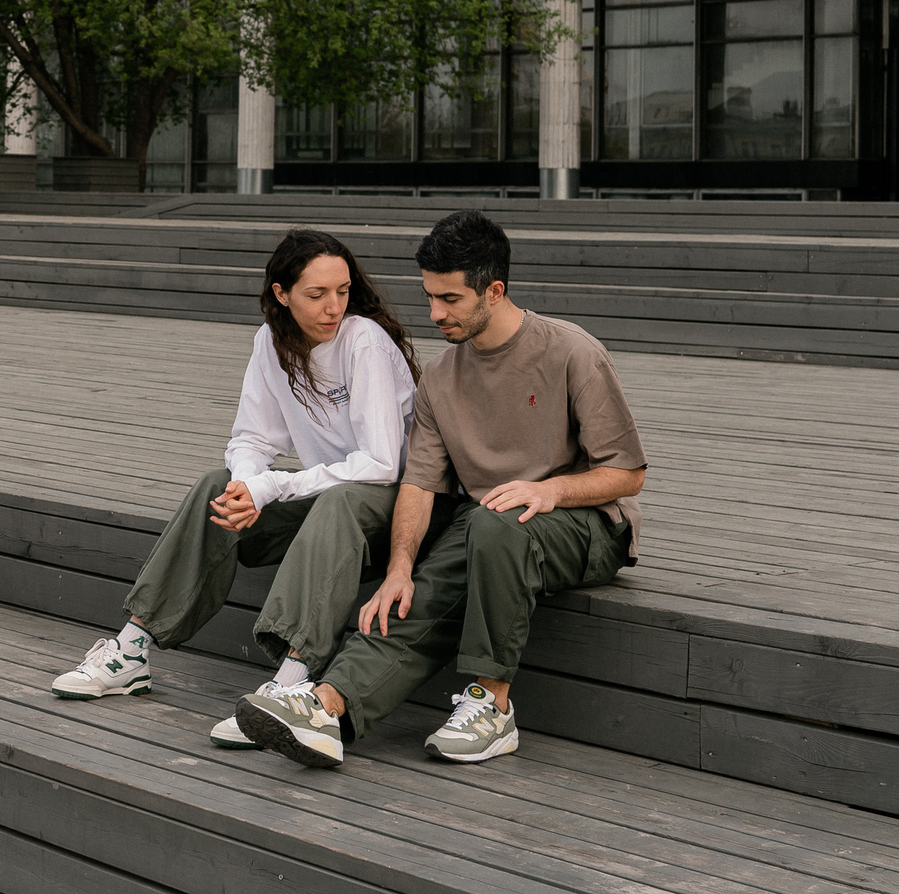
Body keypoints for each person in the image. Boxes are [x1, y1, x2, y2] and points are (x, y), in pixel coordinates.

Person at [234, 208, 646, 769]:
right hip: (487, 526)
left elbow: (627, 473)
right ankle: (327, 709)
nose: (434, 313)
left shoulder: (571, 351)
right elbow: (420, 484)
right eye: (430, 296)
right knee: (412, 597)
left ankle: (492, 704)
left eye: (450, 299)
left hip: (587, 525)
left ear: (493, 291)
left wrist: (549, 492)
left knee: (496, 522)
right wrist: (400, 566)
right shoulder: (442, 380)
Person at [50, 227, 420, 747]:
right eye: (316, 294)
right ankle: (132, 650)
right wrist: (247, 490)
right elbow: (251, 437)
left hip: (390, 512)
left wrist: (273, 488)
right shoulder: (272, 343)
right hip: (322, 505)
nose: (333, 306)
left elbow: (382, 464)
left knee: (338, 501)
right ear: (281, 293)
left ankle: (290, 685)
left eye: (342, 291)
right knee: (214, 487)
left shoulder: (364, 341)